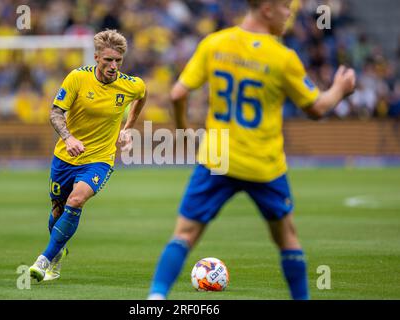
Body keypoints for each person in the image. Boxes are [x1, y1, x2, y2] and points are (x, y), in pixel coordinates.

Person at [148, 0, 355, 300]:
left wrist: (183, 132)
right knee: (287, 239)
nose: (289, 14)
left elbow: (177, 93)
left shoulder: (214, 43)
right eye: (285, 7)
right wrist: (340, 88)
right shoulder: (282, 58)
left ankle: (156, 298)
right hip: (263, 163)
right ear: (267, 9)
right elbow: (317, 109)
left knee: (184, 234)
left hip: (216, 157)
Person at [29, 29, 147, 282]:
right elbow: (55, 113)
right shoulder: (77, 78)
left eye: (118, 61)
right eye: (108, 60)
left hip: (100, 158)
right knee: (58, 211)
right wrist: (68, 138)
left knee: (76, 199)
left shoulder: (130, 85)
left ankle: (44, 259)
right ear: (96, 58)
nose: (113, 66)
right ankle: (58, 251)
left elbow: (141, 96)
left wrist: (128, 129)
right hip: (65, 156)